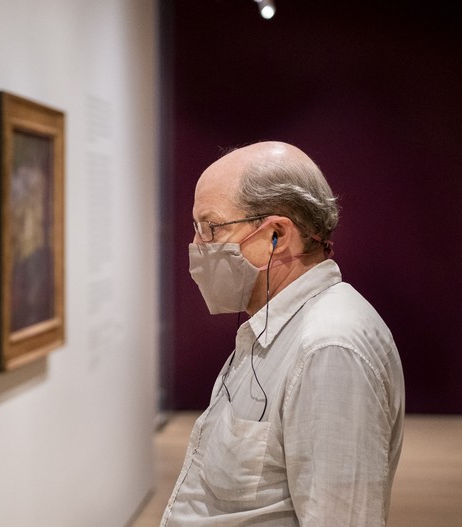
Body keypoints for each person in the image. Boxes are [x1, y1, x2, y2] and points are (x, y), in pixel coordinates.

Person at [161, 141, 404, 526]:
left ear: (277, 234)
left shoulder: (329, 349)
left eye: (210, 228)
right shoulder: (277, 327)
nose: (196, 246)